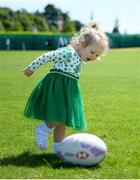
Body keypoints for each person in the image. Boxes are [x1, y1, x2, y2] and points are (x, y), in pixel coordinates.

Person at [22, 21, 109, 155]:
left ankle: (58, 149)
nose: (93, 57)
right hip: (57, 86)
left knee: (63, 120)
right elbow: (47, 56)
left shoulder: (81, 60)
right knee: (60, 114)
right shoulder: (68, 52)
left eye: (97, 55)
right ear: (81, 44)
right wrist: (30, 68)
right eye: (92, 52)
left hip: (69, 89)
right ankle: (43, 129)